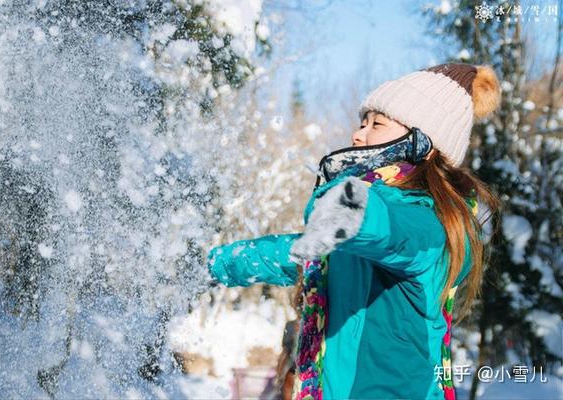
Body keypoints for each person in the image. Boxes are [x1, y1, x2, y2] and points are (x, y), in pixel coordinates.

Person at [206, 62, 502, 400]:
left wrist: (354, 208)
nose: (358, 134)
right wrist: (213, 264)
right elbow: (289, 253)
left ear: (423, 145)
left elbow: (395, 230)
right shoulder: (344, 234)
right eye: (362, 122)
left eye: (377, 124)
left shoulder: (433, 226)